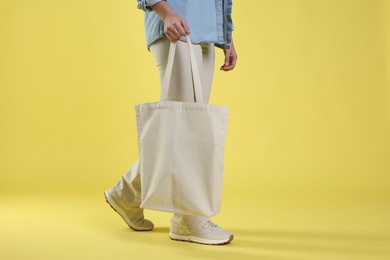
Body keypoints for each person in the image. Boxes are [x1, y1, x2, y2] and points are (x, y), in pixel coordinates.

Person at [104, 0, 237, 245]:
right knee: (184, 134)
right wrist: (165, 13)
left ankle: (127, 193)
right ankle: (189, 220)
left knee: (189, 129)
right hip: (176, 25)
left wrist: (226, 36)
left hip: (206, 31)